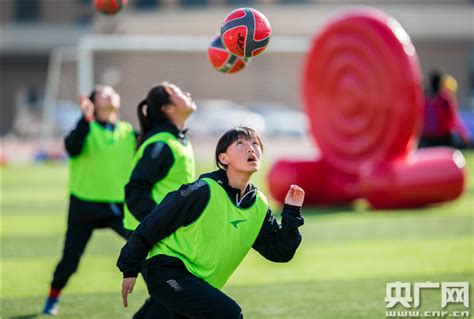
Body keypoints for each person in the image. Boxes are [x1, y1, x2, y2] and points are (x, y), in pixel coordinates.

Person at [117, 127, 305, 318]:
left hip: (199, 284)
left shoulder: (258, 205)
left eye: (255, 144)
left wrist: (291, 212)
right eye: (240, 144)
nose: (251, 149)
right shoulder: (202, 190)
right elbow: (153, 224)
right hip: (167, 273)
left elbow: (279, 252)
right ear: (223, 158)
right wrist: (130, 268)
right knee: (228, 314)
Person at [42, 85, 137, 316]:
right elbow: (71, 147)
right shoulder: (86, 127)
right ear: (94, 103)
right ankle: (53, 298)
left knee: (145, 247)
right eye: (103, 93)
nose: (111, 94)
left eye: (113, 92)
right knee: (70, 262)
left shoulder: (128, 132)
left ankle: (167, 298)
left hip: (118, 207)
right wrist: (86, 119)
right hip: (84, 205)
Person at [123, 82, 197, 318]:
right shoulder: (161, 143)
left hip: (166, 234)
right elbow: (135, 192)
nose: (187, 92)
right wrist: (159, 224)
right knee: (175, 299)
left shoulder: (178, 138)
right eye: (177, 92)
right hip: (150, 235)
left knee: (167, 300)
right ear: (167, 108)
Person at [420, 71, 470, 148]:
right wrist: (463, 134)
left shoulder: (424, 99)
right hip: (443, 137)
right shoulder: (445, 100)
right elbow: (454, 119)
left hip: (428, 138)